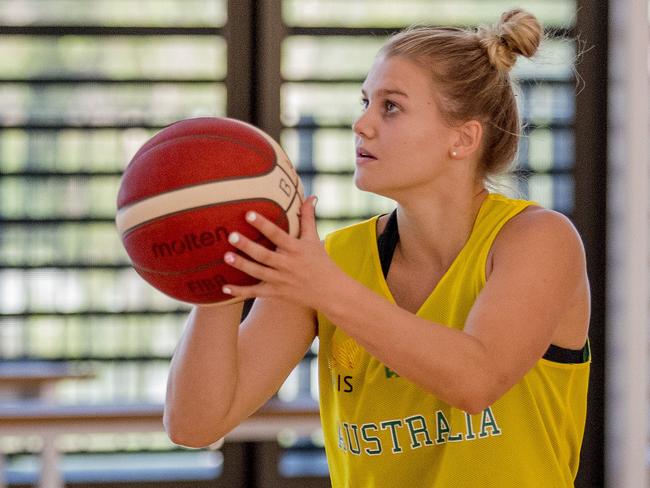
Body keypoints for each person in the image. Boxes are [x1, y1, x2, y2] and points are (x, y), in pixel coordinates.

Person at [163, 8, 590, 487]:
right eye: (365, 101)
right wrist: (220, 274)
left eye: (391, 106)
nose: (361, 124)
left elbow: (477, 380)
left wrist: (326, 288)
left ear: (463, 137)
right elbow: (194, 424)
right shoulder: (333, 262)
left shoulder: (538, 240)